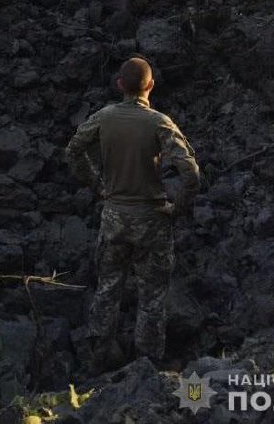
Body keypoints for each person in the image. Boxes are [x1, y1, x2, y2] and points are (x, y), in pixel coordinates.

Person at [66, 56, 200, 368]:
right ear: (150, 86)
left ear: (120, 85)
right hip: (152, 219)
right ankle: (147, 365)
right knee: (152, 295)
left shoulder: (104, 117)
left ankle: (98, 355)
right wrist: (177, 206)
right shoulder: (159, 122)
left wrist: (96, 185)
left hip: (114, 216)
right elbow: (190, 173)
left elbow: (73, 150)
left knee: (109, 286)